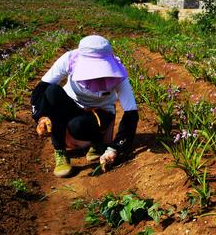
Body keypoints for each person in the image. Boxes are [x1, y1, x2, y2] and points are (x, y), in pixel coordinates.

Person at [31, 35, 139, 177]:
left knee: (78, 125)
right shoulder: (70, 59)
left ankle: (98, 141)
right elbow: (42, 88)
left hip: (100, 113)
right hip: (72, 106)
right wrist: (41, 116)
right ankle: (60, 151)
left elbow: (131, 113)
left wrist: (115, 148)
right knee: (52, 92)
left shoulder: (117, 73)